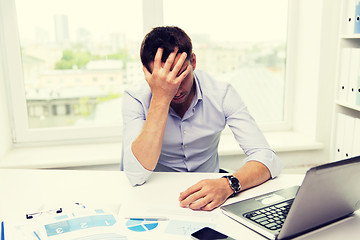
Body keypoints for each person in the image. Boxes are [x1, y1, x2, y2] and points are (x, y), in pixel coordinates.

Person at [121, 26, 282, 211]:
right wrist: (160, 98)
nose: (176, 88)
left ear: (193, 62)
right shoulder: (135, 98)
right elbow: (135, 174)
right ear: (147, 73)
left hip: (212, 196)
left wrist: (228, 184)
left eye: (181, 75)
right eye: (165, 78)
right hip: (155, 197)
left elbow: (267, 158)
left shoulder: (221, 93)